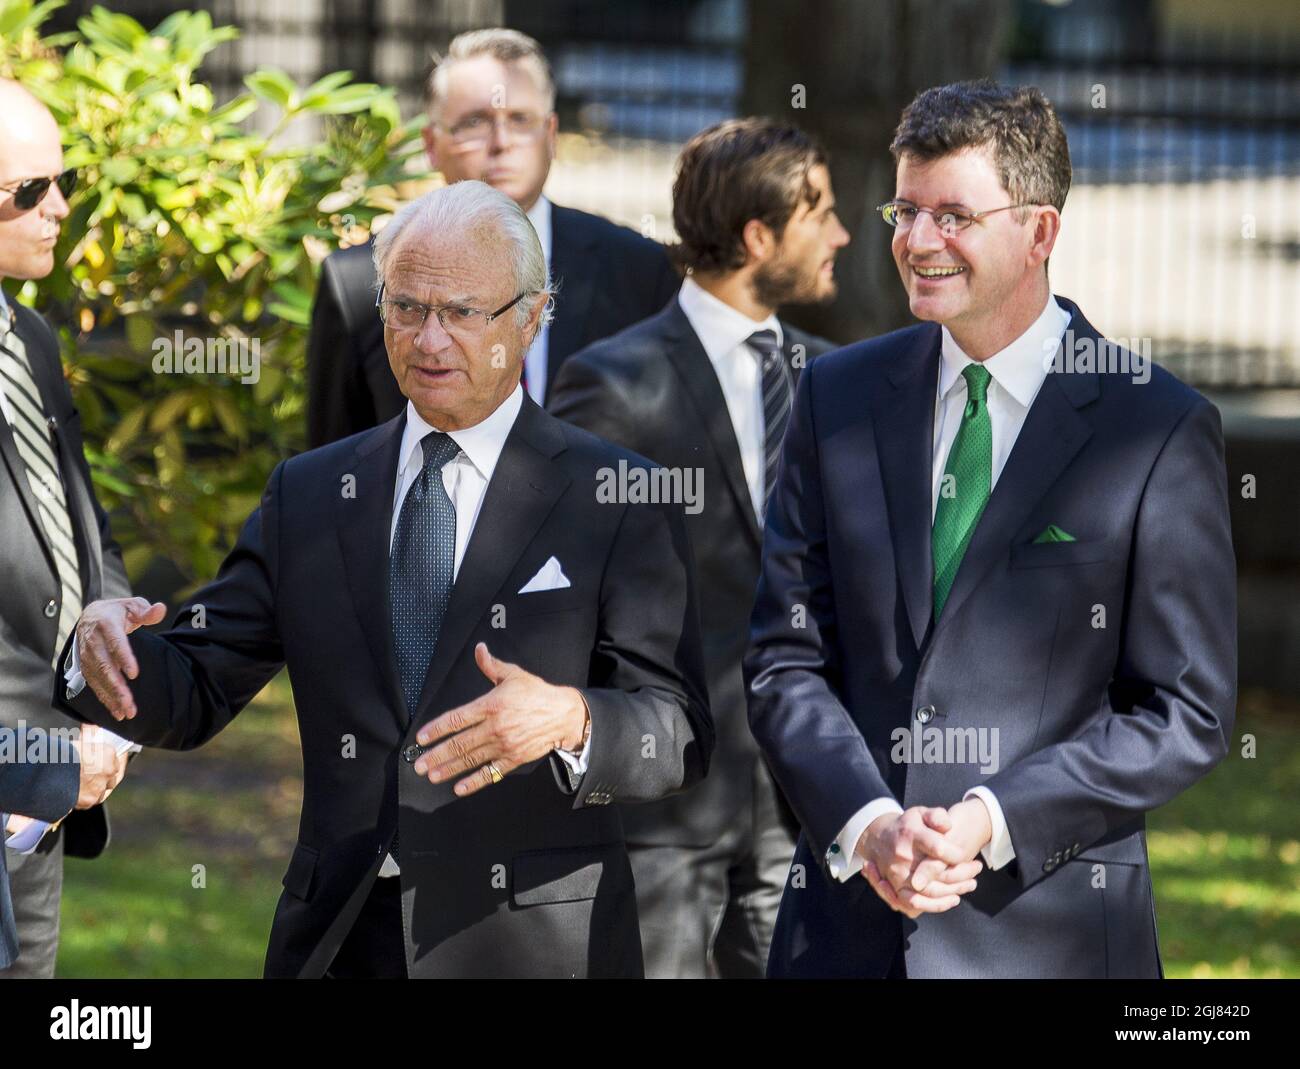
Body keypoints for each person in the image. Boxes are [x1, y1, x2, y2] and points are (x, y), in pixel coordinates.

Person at [57, 180, 712, 979]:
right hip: (338, 942)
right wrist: (102, 652)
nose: (429, 340)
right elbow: (196, 679)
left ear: (532, 316)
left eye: (462, 313)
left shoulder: (615, 497)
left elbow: (677, 732)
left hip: (534, 949)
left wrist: (572, 718)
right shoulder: (311, 491)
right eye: (405, 308)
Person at [743, 80, 1236, 978]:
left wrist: (990, 817)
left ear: (1039, 232)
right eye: (906, 210)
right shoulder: (835, 397)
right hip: (847, 933)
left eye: (954, 215)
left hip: (1050, 934)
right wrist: (870, 822)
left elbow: (1184, 711)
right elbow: (785, 655)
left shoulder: (1155, 427)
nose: (918, 242)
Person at [549, 118, 847, 977]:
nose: (841, 233)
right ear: (760, 236)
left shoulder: (834, 379)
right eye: (819, 211)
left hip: (804, 805)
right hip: (664, 811)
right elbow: (566, 592)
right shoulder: (610, 382)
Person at [306, 27, 680, 447]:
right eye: (474, 122)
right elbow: (336, 463)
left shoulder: (640, 270)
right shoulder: (356, 282)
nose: (501, 143)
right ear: (431, 143)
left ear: (551, 135)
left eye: (520, 120)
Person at [0, 78, 131, 978]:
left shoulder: (30, 337)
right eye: (28, 192)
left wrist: (113, 613)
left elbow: (79, 527)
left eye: (63, 180)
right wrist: (40, 764)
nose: (60, 209)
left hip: (35, 826)